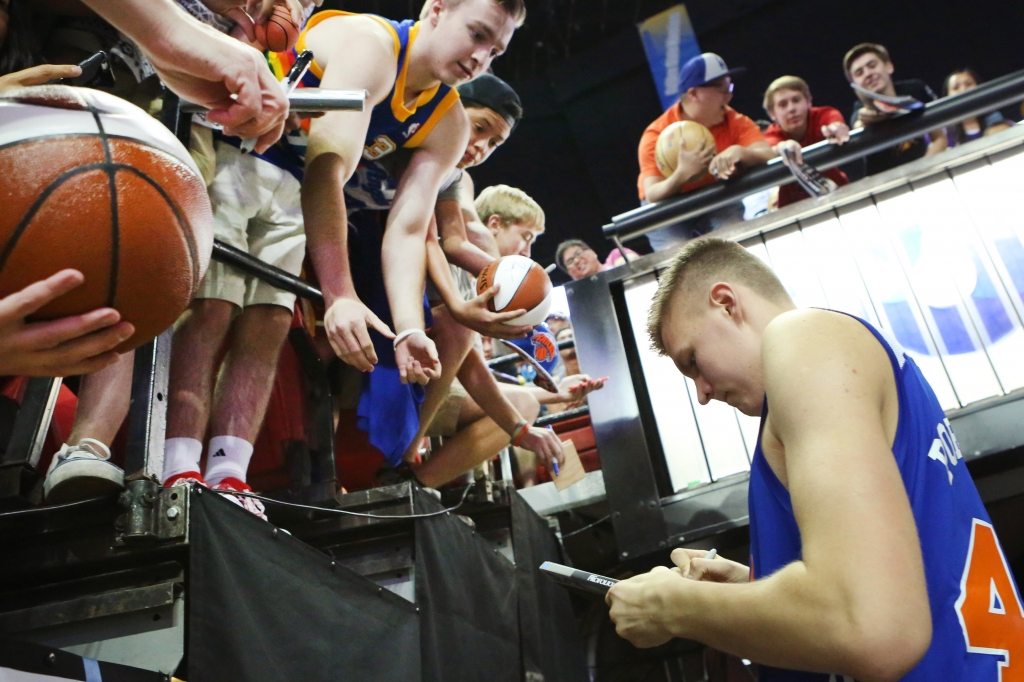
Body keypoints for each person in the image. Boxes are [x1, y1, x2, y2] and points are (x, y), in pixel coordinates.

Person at [606, 237, 1019, 681]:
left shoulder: (803, 339)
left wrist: (674, 606)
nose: (702, 393)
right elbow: (906, 577)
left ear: (726, 304)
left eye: (693, 361)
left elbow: (875, 631)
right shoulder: (852, 363)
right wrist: (751, 588)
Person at [638, 52, 773, 251]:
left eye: (730, 87)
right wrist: (682, 174)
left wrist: (741, 152)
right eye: (722, 88)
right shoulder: (657, 134)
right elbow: (653, 193)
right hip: (667, 207)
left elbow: (768, 153)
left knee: (734, 241)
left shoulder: (733, 120)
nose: (729, 95)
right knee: (679, 257)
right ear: (694, 94)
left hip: (713, 195)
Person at [845, 43, 946, 176]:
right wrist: (870, 116)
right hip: (885, 188)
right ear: (854, 85)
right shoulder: (858, 111)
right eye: (859, 73)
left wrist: (922, 172)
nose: (868, 74)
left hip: (927, 173)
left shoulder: (915, 90)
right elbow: (859, 122)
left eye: (872, 65)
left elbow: (940, 138)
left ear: (889, 66)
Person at [762, 76, 850, 208]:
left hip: (840, 198)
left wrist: (836, 127)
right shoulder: (772, 134)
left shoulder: (821, 115)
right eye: (783, 104)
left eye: (796, 100)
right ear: (772, 114)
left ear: (808, 101)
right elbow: (769, 145)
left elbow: (832, 116)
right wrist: (781, 147)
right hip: (794, 209)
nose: (791, 108)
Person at [943, 68, 1014, 147]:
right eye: (956, 87)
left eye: (968, 84)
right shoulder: (942, 135)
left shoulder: (998, 121)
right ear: (947, 96)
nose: (963, 90)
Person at [555, 238, 640, 281]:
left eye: (578, 253)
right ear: (570, 273)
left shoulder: (615, 256)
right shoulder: (582, 298)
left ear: (592, 252)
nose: (576, 261)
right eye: (570, 261)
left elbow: (634, 261)